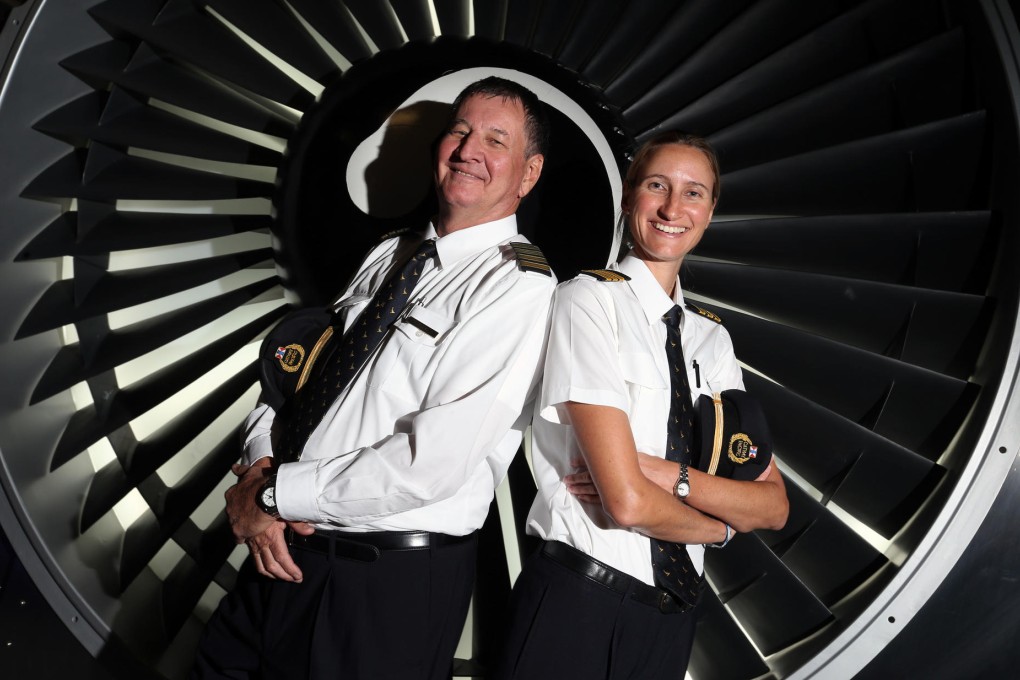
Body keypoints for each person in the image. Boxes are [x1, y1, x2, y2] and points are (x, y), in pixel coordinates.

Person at [191, 76, 555, 680]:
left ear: (528, 173)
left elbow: (431, 464)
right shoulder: (391, 254)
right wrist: (261, 465)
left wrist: (276, 493)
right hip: (277, 549)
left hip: (381, 585)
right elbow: (299, 378)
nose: (468, 150)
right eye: (459, 131)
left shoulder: (518, 289)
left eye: (496, 140)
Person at [493, 131, 789, 679]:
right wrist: (722, 526)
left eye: (694, 193)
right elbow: (626, 503)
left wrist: (659, 472)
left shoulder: (711, 339)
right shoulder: (587, 301)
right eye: (658, 186)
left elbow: (772, 507)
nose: (674, 208)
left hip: (670, 617)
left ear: (711, 210)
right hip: (579, 600)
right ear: (629, 195)